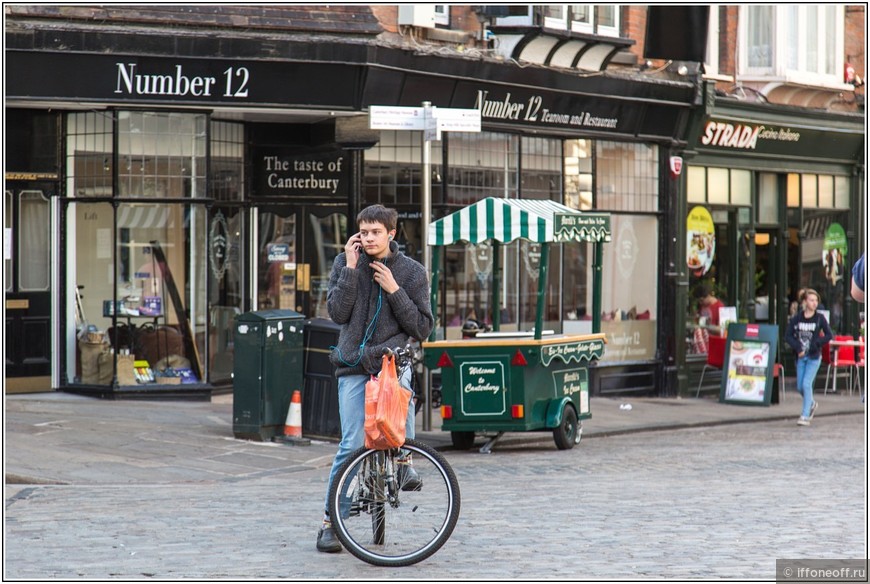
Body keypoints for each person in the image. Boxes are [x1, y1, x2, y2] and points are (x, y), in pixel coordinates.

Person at [316, 205, 434, 553]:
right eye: (363, 232)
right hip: (353, 363)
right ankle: (329, 523)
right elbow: (337, 313)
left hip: (390, 361)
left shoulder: (412, 273)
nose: (368, 239)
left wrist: (395, 289)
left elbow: (421, 327)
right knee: (352, 443)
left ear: (391, 234)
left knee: (402, 410)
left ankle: (403, 463)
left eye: (375, 233)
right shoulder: (344, 262)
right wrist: (351, 270)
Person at [784, 288, 832, 427]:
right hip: (801, 357)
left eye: (816, 300)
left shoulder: (819, 319)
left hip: (814, 357)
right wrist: (798, 348)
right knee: (800, 386)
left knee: (806, 384)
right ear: (805, 302)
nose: (814, 303)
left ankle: (805, 416)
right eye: (811, 300)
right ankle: (811, 403)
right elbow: (788, 336)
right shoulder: (797, 319)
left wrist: (817, 344)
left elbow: (829, 335)